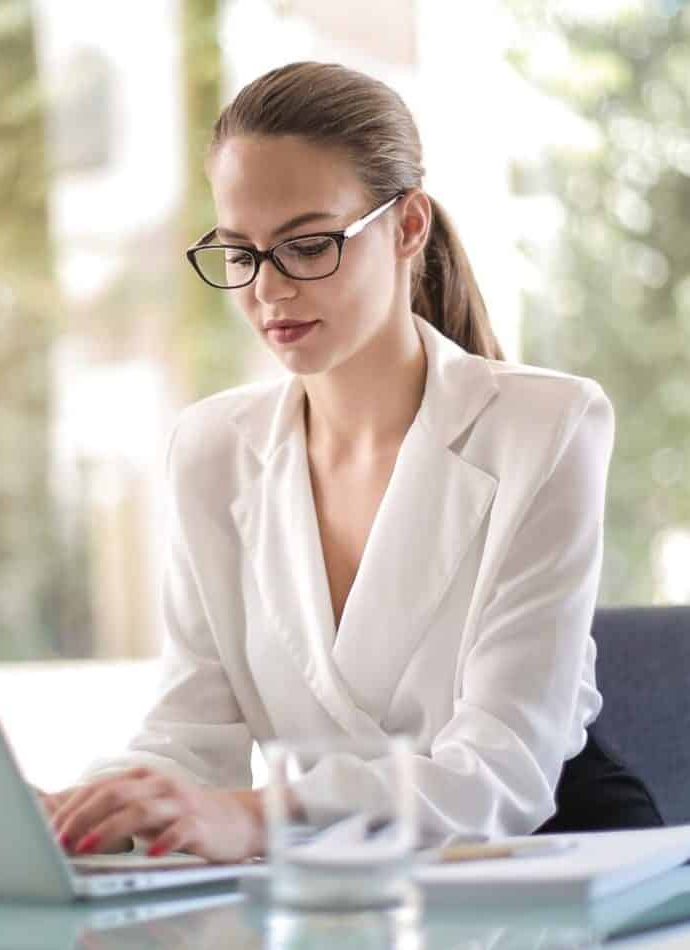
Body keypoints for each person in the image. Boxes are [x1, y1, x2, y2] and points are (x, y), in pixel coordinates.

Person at [37, 61, 643, 862]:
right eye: (240, 252)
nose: (268, 290)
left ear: (407, 227)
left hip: (547, 860)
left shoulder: (547, 426)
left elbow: (500, 774)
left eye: (308, 244)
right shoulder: (212, 449)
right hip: (333, 878)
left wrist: (257, 818)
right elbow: (190, 737)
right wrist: (87, 810)